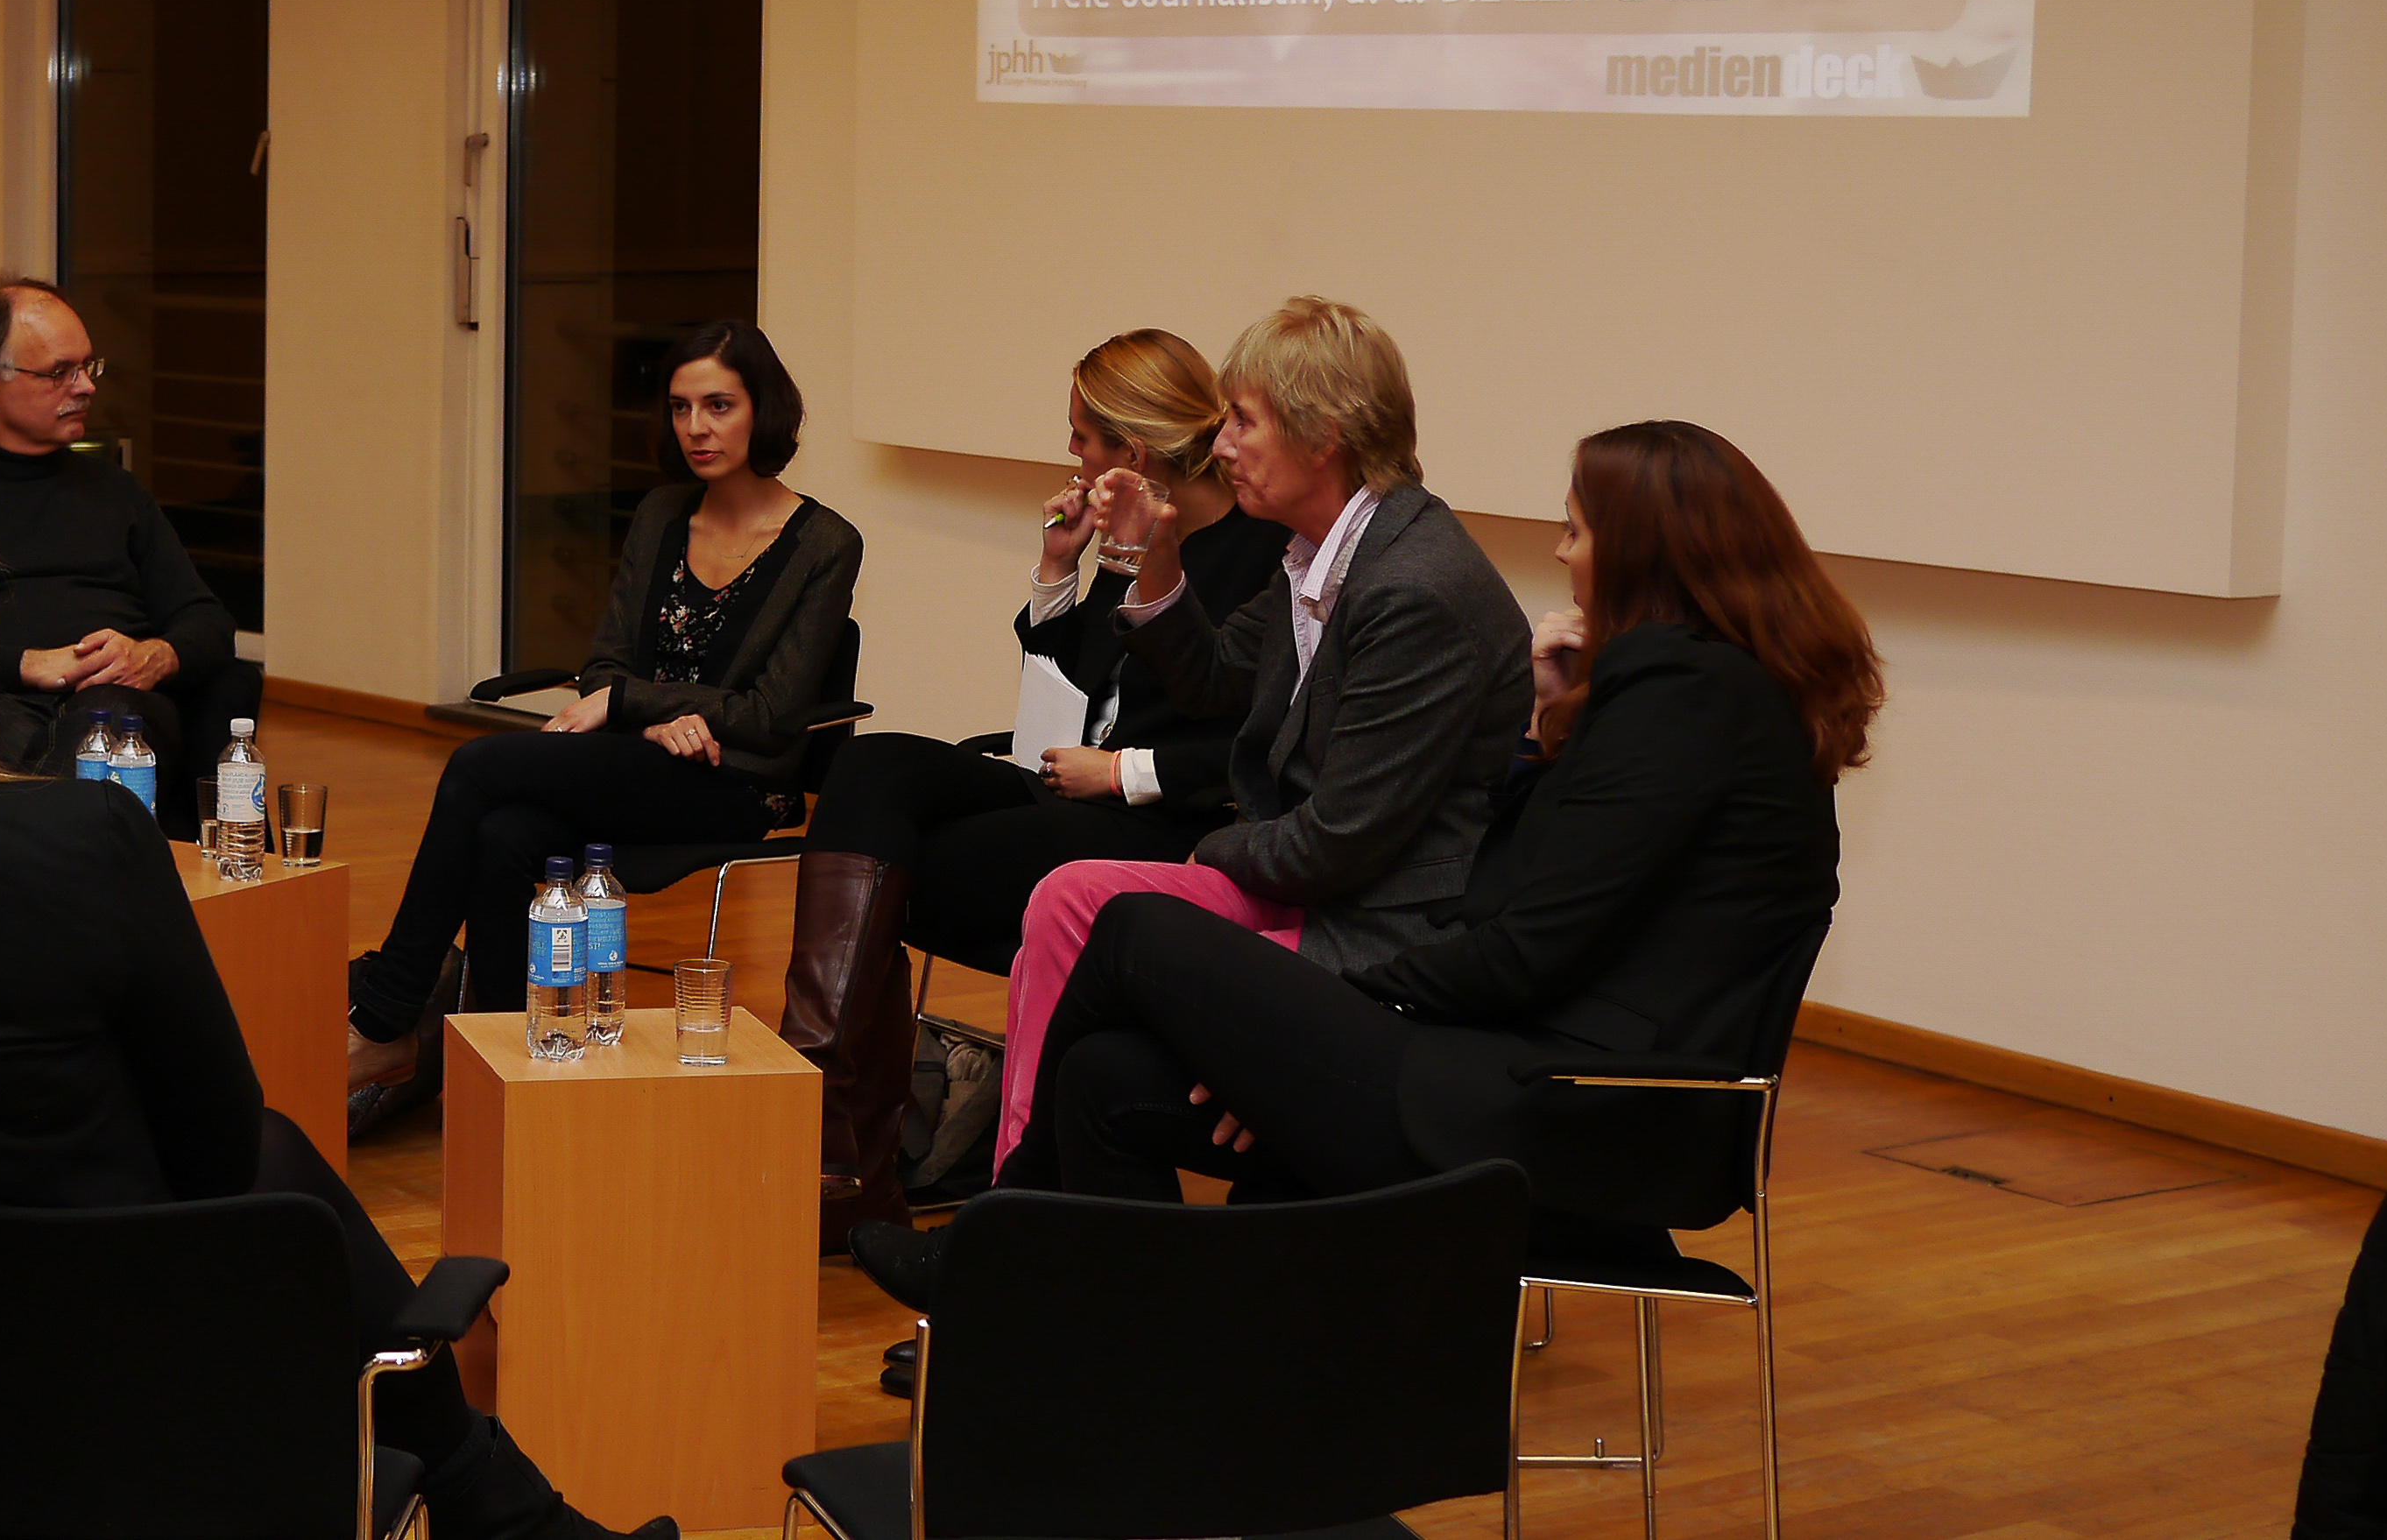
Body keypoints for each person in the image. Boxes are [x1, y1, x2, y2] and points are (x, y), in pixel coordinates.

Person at [0, 400, 663, 1540]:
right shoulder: (81, 843)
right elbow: (210, 1151)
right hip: (102, 1418)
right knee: (273, 1151)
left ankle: (498, 1505)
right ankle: (495, 1502)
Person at [866, 421, 1868, 1296]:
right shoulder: (1708, 699)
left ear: (1646, 553)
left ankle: (1000, 1280)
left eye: (1576, 529)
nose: (1564, 555)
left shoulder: (1683, 702)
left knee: (1130, 927)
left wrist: (1309, 1040)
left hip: (1574, 1111)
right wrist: (1550, 727)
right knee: (1107, 1074)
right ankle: (1100, 1347)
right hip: (1528, 1071)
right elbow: (1542, 881)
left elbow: (1525, 946)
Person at [981, 295, 1531, 1173]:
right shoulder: (1320, 551)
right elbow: (1211, 677)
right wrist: (1148, 557)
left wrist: (1211, 851)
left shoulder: (1413, 585)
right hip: (1308, 882)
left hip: (1375, 925)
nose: (1221, 442)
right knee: (1067, 898)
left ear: (1326, 434)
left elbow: (1341, 843)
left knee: (1116, 1005)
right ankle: (1019, 1194)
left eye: (1243, 420)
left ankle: (1035, 1219)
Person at [786, 330, 1285, 1243]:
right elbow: (1067, 703)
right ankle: (823, 1119)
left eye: (1083, 438)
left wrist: (1128, 771)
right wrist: (1060, 571)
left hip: (1162, 825)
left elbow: (1270, 743)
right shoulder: (1131, 538)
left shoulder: (1266, 556)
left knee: (902, 868)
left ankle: (841, 1161)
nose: (1071, 456)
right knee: (871, 762)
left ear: (1132, 453)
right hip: (1062, 788)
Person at [345, 325, 863, 1125]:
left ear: (763, 411)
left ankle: (385, 1017)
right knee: (504, 831)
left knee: (481, 768)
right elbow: (607, 663)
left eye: (719, 405)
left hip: (737, 784)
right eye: (681, 406)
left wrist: (634, 706)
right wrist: (649, 714)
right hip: (642, 762)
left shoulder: (825, 543)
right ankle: (501, 1056)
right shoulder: (662, 514)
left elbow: (771, 717)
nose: (696, 427)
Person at [0, 278, 253, 821]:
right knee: (10, 736)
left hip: (120, 705)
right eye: (61, 372)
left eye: (89, 367)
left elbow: (207, 621)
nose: (85, 386)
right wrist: (23, 664)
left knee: (102, 726)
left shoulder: (114, 491)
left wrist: (156, 655)